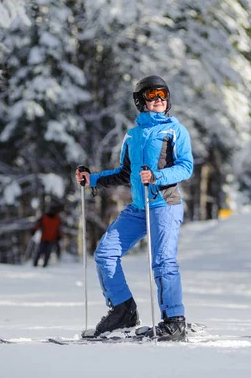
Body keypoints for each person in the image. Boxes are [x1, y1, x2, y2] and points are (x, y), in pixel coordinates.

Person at [76, 75, 193, 341]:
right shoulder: (133, 135)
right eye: (152, 95)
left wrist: (157, 176)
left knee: (163, 262)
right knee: (105, 254)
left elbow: (186, 167)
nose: (158, 100)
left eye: (162, 94)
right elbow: (124, 173)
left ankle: (174, 321)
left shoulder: (175, 131)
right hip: (140, 208)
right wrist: (91, 179)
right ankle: (123, 311)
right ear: (140, 100)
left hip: (164, 204)